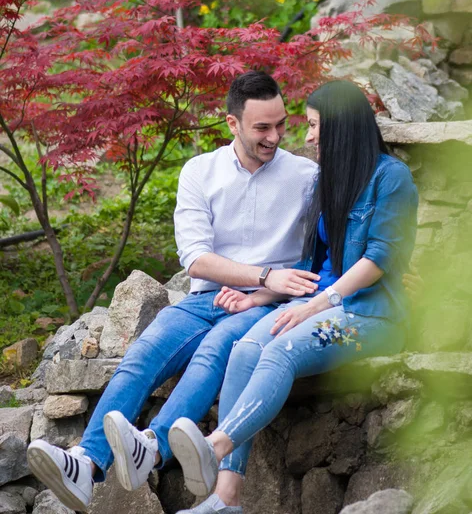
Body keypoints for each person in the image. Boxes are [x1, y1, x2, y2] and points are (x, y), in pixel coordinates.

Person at [26, 71, 320, 511]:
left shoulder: (307, 176)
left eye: (281, 124)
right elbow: (196, 259)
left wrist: (267, 290)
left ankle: (153, 446)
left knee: (215, 350)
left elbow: (320, 257)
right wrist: (263, 274)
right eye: (262, 127)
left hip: (264, 305)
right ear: (232, 123)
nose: (275, 136)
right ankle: (86, 464)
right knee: (143, 356)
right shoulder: (200, 171)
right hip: (207, 298)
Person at [168, 79, 419, 514]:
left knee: (280, 352)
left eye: (316, 126)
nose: (307, 136)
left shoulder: (391, 178)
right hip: (317, 303)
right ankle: (225, 499)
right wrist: (261, 297)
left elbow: (380, 258)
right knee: (246, 348)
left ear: (341, 127)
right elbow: (311, 264)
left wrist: (319, 304)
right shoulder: (329, 180)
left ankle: (216, 445)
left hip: (373, 316)